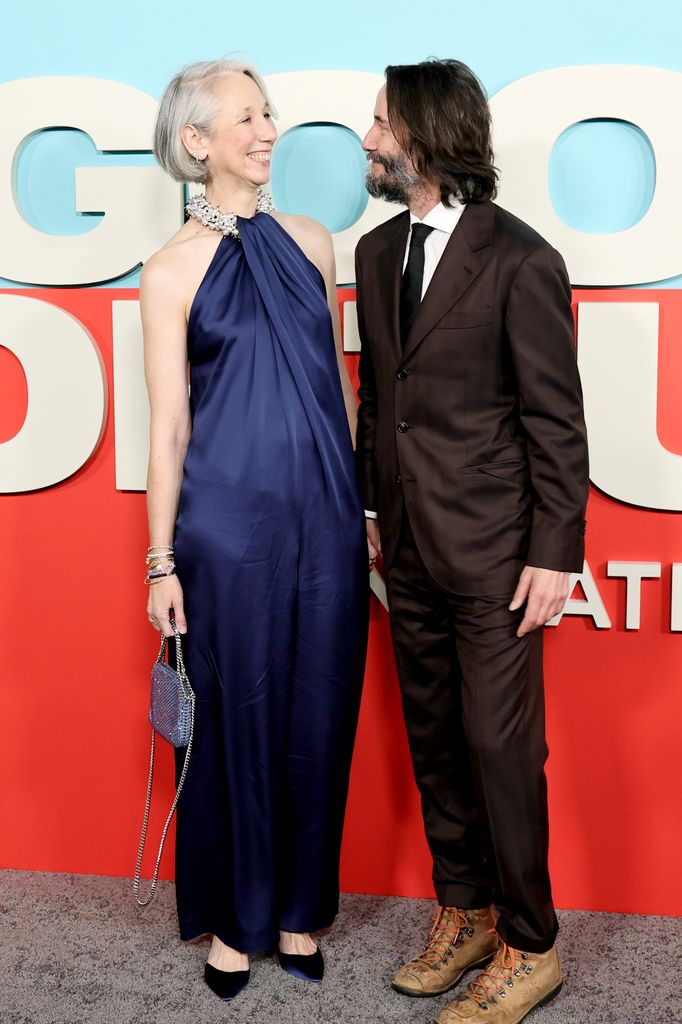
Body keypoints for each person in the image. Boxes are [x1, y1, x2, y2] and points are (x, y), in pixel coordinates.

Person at [355, 59, 589, 1024]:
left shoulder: (522, 259)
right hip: (405, 545)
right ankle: (468, 913)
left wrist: (556, 550)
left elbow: (556, 420)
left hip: (497, 552)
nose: (366, 140)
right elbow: (382, 401)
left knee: (499, 748)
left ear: (426, 133)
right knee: (439, 743)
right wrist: (373, 513)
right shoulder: (373, 254)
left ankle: (532, 944)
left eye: (379, 123)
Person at [141, 58, 368, 1002]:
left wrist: (358, 507)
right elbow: (168, 429)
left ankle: (295, 910)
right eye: (246, 115)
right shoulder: (170, 271)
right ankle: (235, 921)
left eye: (268, 111)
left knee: (320, 711)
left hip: (324, 524)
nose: (267, 128)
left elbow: (341, 395)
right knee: (235, 720)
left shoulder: (313, 243)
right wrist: (160, 562)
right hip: (225, 534)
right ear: (197, 143)